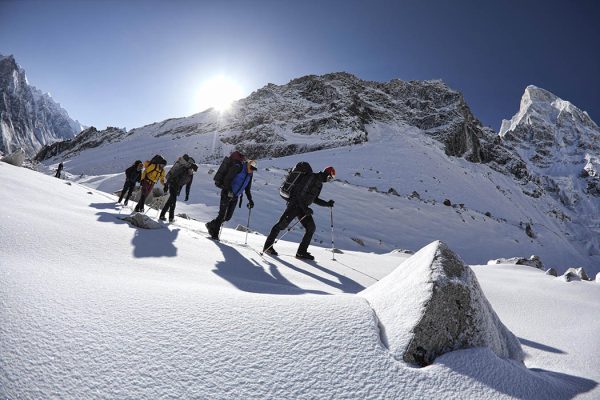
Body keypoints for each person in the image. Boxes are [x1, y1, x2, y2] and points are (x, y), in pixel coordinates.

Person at [263, 166, 336, 260]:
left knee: (311, 227)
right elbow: (298, 194)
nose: (329, 180)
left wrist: (327, 204)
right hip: (295, 205)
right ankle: (267, 247)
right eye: (330, 178)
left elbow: (315, 199)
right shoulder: (311, 177)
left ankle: (301, 252)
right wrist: (305, 209)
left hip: (303, 208)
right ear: (327, 174)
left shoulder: (319, 184)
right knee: (281, 225)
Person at [205, 158, 257, 240]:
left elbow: (247, 189)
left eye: (254, 169)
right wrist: (229, 191)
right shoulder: (238, 168)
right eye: (251, 168)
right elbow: (227, 179)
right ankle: (215, 234)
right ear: (247, 165)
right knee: (222, 215)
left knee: (228, 217)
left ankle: (211, 225)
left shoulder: (250, 175)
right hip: (226, 193)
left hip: (235, 197)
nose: (252, 170)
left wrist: (250, 200)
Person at [160, 155, 198, 222]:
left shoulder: (191, 176)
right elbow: (172, 176)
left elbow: (188, 186)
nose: (191, 171)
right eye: (191, 169)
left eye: (193, 171)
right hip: (172, 185)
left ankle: (162, 215)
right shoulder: (183, 169)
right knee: (173, 203)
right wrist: (166, 185)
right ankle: (171, 218)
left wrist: (187, 195)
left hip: (177, 188)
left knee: (169, 202)